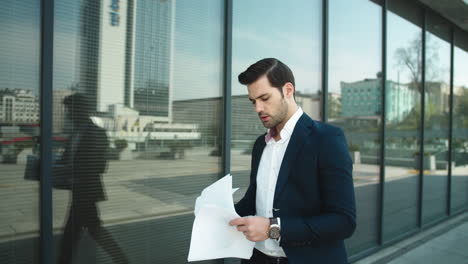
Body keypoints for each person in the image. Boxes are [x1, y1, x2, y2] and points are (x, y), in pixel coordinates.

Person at [229, 58, 356, 264]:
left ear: (288, 90)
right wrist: (220, 213)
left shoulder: (327, 139)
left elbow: (343, 222)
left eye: (264, 98)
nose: (258, 108)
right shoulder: (261, 145)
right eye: (253, 101)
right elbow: (254, 201)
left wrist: (272, 228)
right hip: (257, 259)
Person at [56, 93, 128, 264]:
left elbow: (100, 166)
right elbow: (66, 160)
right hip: (78, 191)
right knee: (91, 229)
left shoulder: (97, 133)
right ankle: (121, 259)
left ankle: (121, 259)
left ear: (80, 110)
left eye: (69, 110)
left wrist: (74, 173)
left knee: (72, 234)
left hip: (86, 191)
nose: (67, 114)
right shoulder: (75, 134)